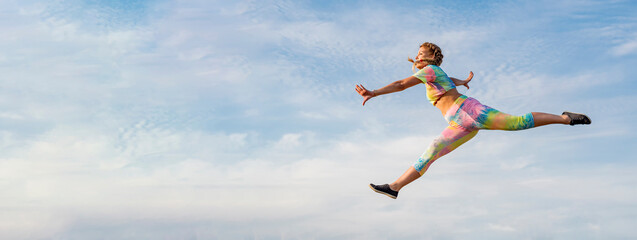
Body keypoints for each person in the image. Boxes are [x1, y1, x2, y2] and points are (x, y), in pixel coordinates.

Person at [355, 42, 591, 199]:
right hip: (459, 123)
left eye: (421, 52)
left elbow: (401, 84)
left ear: (430, 58)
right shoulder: (435, 74)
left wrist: (373, 92)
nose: (417, 55)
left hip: (469, 111)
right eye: (417, 52)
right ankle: (395, 188)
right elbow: (449, 79)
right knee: (430, 153)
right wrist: (462, 81)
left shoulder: (429, 71)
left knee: (518, 122)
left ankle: (565, 118)